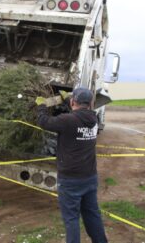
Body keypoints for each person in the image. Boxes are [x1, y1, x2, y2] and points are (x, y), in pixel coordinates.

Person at [36, 87, 107, 243]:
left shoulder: (67, 120)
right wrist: (68, 99)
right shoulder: (94, 120)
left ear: (74, 101)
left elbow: (44, 121)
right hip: (89, 178)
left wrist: (41, 106)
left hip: (70, 181)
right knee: (92, 214)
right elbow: (79, 114)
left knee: (71, 219)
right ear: (91, 103)